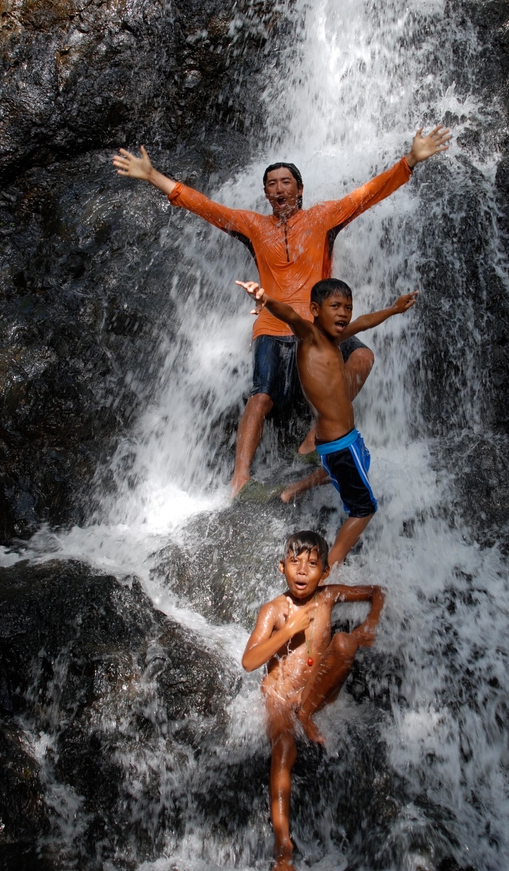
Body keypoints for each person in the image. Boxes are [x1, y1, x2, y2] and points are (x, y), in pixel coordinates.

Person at [112, 126, 450, 497]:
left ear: (300, 189)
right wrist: (152, 176)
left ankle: (314, 437)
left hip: (317, 325)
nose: (279, 189)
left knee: (363, 357)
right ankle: (240, 480)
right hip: (272, 323)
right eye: (271, 183)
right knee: (261, 396)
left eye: (286, 182)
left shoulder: (324, 217)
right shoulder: (253, 226)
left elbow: (367, 194)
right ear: (265, 193)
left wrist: (411, 160)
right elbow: (206, 207)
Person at [237, 277, 417, 567]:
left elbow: (364, 322)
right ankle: (326, 571)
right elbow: (291, 316)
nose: (344, 313)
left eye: (347, 306)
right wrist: (266, 299)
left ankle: (292, 490)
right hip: (339, 443)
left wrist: (394, 310)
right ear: (315, 309)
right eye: (335, 306)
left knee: (356, 465)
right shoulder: (310, 336)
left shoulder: (336, 339)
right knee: (364, 509)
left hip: (342, 439)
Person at [242, 530, 385, 871]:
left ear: (325, 572)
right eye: (295, 562)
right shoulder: (273, 610)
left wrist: (371, 622)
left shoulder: (329, 596)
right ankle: (282, 851)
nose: (303, 571)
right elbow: (249, 662)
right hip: (279, 696)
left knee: (345, 644)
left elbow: (377, 591)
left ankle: (307, 714)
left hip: (312, 694)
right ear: (281, 567)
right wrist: (290, 630)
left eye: (312, 564)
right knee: (285, 747)